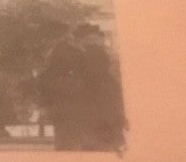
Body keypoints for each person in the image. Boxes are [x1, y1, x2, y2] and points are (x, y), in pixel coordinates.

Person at [37, 22, 125, 151]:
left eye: (95, 39)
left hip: (87, 111)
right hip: (78, 110)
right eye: (91, 38)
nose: (94, 42)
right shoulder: (69, 52)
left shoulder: (87, 54)